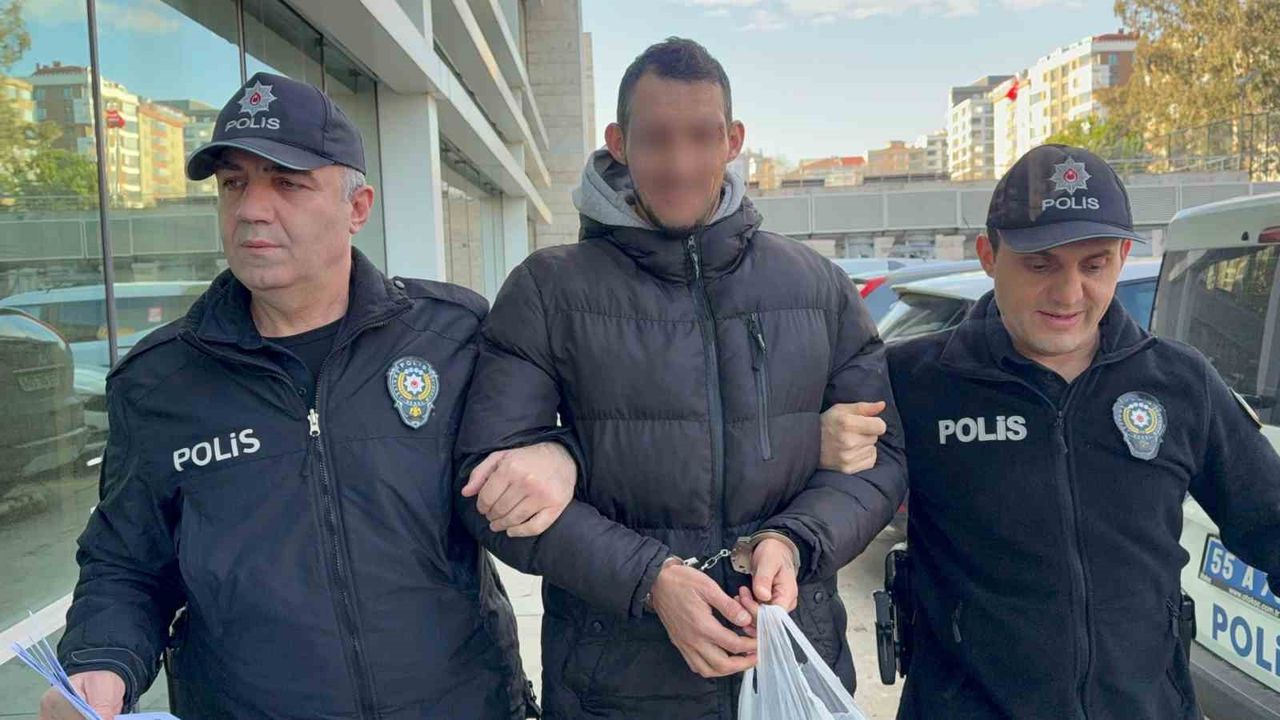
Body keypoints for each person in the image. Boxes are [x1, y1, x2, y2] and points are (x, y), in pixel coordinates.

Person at [40, 72, 577, 720]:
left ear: (358, 208)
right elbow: (125, 563)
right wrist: (100, 663)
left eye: (287, 183)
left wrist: (559, 453)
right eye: (233, 184)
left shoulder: (451, 335)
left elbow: (549, 439)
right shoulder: (158, 382)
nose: (251, 209)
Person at [455, 37, 908, 719]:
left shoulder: (817, 286)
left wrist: (795, 539)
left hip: (788, 667)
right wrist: (649, 580)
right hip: (614, 688)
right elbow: (486, 489)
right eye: (656, 138)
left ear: (733, 140)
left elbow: (883, 461)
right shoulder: (547, 292)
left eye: (701, 136)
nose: (680, 163)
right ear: (618, 143)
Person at [888, 144, 1280, 719]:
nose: (1069, 293)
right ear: (989, 256)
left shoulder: (1180, 381)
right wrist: (820, 445)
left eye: (1093, 265)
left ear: (1122, 256)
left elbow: (1270, 520)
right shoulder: (912, 381)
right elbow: (827, 506)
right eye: (1040, 265)